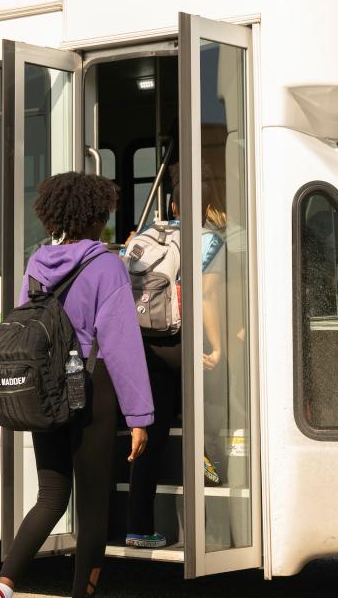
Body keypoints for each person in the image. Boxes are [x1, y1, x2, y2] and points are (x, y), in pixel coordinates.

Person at [0, 172, 154, 598]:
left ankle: (2, 584)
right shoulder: (107, 265)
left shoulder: (37, 264)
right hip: (91, 390)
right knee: (94, 512)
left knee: (51, 497)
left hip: (46, 388)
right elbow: (121, 347)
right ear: (96, 218)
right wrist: (140, 417)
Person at [125, 164, 225, 549]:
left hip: (147, 343)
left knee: (151, 432)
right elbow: (207, 296)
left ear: (172, 204)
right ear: (205, 206)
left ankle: (138, 526)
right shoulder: (208, 239)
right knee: (215, 414)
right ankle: (214, 517)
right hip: (184, 344)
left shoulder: (147, 236)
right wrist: (216, 346)